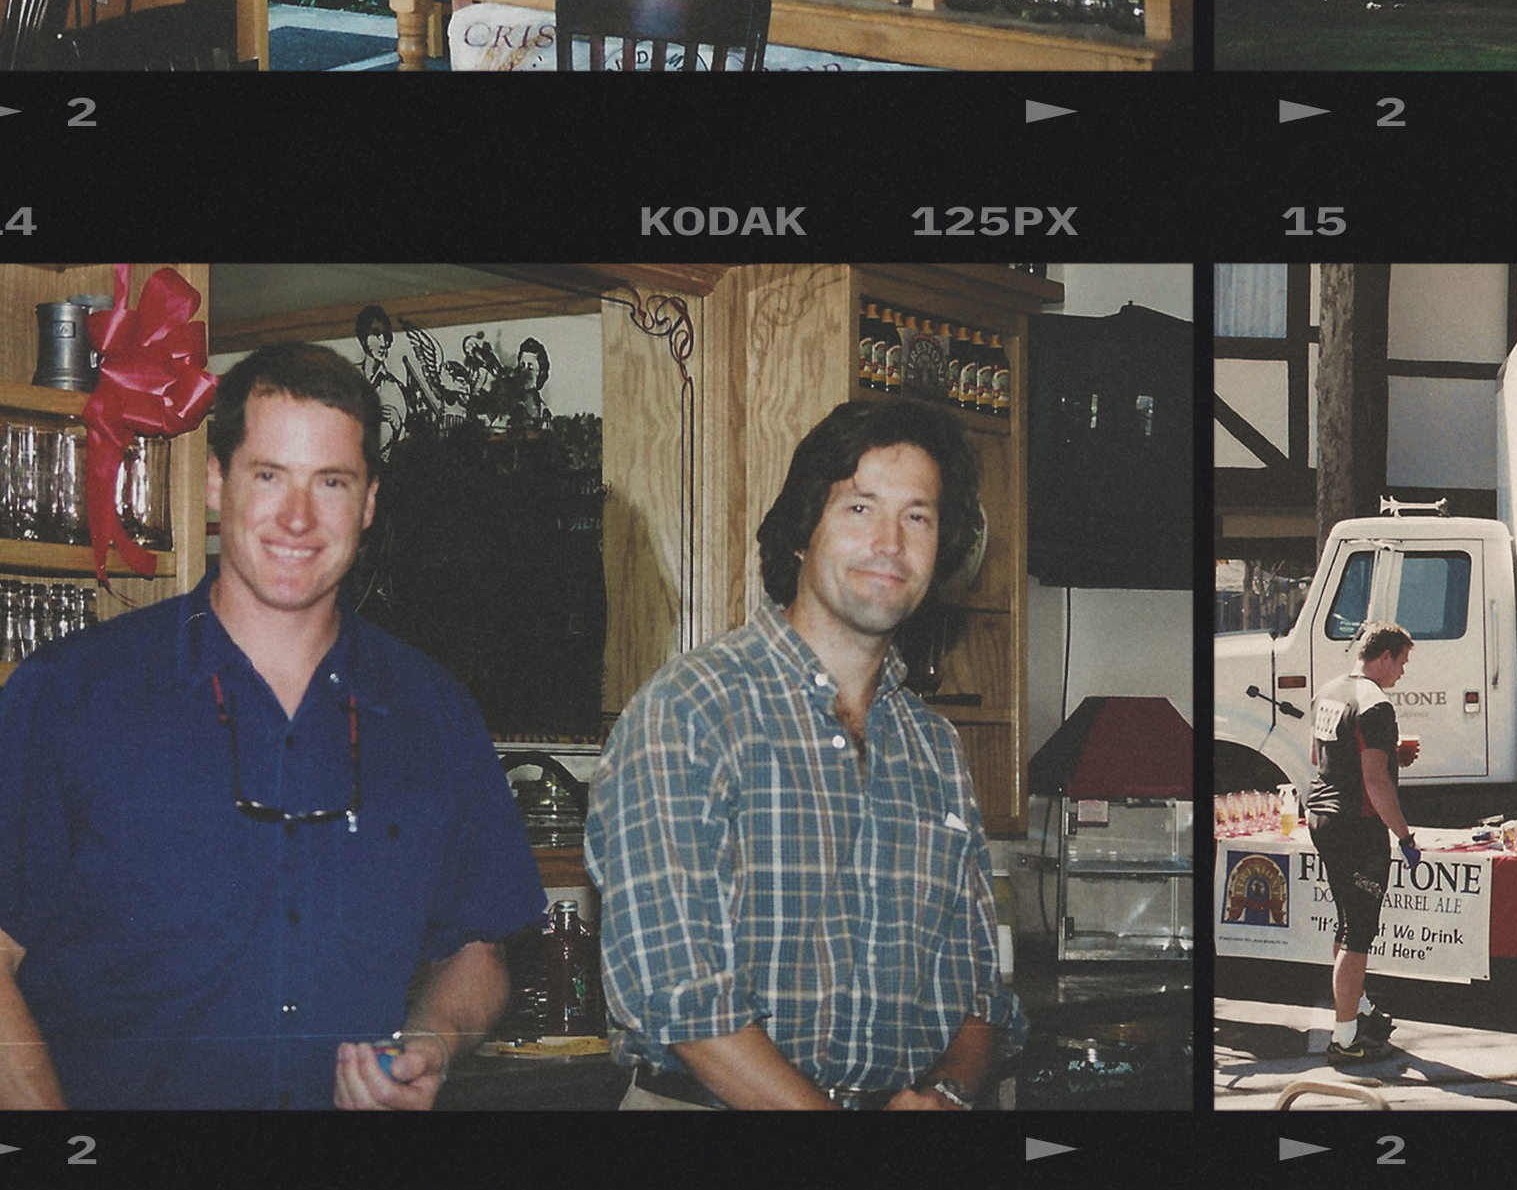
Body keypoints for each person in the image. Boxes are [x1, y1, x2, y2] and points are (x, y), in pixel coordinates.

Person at [0, 342, 545, 1110]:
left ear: (369, 502)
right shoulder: (69, 695)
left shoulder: (436, 712)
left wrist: (432, 1044)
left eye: (331, 481)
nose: (298, 516)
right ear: (218, 482)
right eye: (269, 475)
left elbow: (476, 950)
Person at [587, 398, 1025, 1110]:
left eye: (917, 516)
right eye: (859, 508)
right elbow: (683, 1000)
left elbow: (980, 994)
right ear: (801, 533)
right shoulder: (689, 712)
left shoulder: (935, 749)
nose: (890, 541)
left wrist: (944, 1093)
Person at [1304, 621, 1422, 1067]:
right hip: (1357, 825)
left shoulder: (1330, 690)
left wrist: (1392, 755)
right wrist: (1405, 835)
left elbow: (1321, 757)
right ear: (1385, 656)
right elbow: (1375, 782)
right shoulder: (1376, 704)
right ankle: (1344, 1037)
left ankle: (1362, 1011)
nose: (1402, 673)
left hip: (1323, 815)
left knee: (1346, 920)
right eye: (1403, 663)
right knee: (1359, 934)